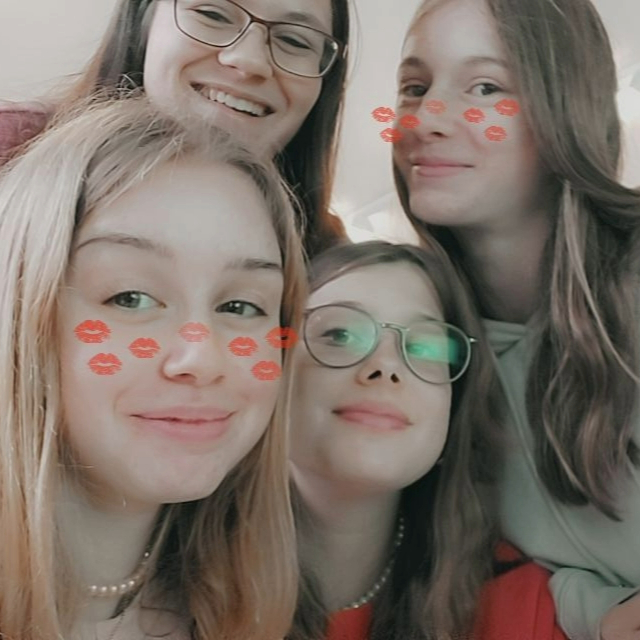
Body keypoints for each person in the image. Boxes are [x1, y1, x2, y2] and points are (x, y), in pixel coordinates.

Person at [0, 97, 307, 640]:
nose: (202, 359)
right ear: (23, 314)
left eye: (241, 307)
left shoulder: (240, 611)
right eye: (131, 298)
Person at [392, 0, 640, 638]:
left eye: (485, 87)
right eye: (415, 87)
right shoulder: (420, 344)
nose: (427, 118)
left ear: (564, 108)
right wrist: (595, 613)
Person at [286, 240, 567, 640]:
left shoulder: (518, 607)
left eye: (426, 347)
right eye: (340, 333)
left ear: (454, 409)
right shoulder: (185, 580)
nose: (385, 366)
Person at [0, 0, 351, 256]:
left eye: (295, 41)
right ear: (143, 19)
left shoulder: (328, 262)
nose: (249, 60)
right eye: (213, 14)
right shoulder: (11, 148)